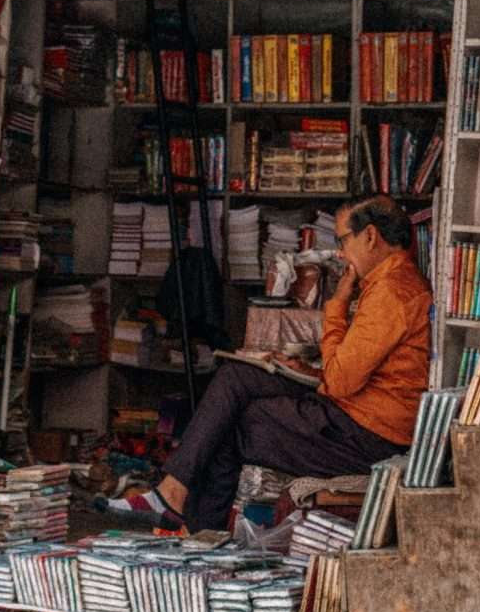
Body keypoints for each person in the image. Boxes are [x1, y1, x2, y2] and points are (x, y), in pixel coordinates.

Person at [121, 194, 432, 532]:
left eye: (342, 239)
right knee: (235, 378)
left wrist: (338, 305)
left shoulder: (391, 291)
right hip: (353, 412)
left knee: (231, 425)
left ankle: (184, 516)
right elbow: (352, 373)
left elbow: (342, 381)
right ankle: (176, 499)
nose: (341, 252)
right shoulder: (386, 282)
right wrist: (308, 372)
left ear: (370, 236)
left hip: (366, 434)